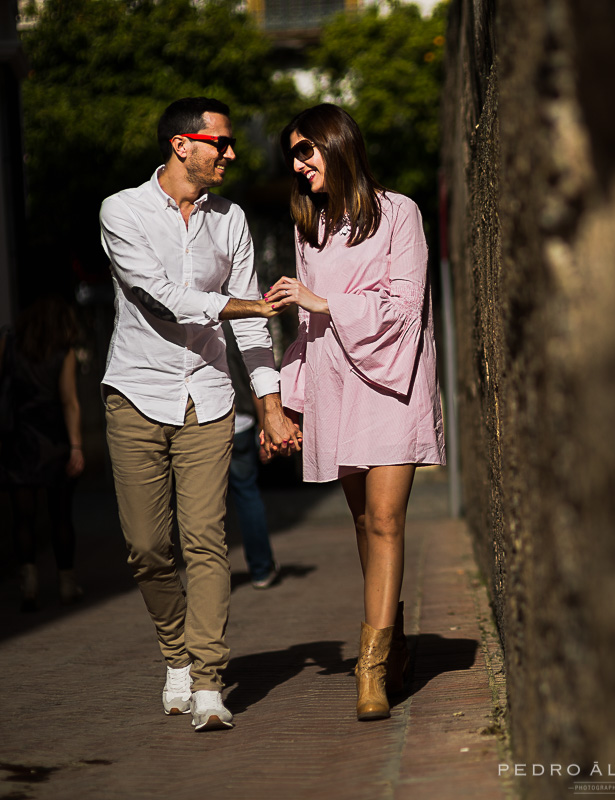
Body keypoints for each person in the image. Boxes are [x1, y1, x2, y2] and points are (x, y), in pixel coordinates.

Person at [99, 97, 300, 733]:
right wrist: (237, 306)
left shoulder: (232, 220)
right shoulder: (122, 211)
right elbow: (157, 299)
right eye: (221, 142)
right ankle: (175, 653)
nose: (232, 154)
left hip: (208, 397)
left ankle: (209, 678)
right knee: (147, 548)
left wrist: (268, 404)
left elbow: (250, 332)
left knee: (207, 540)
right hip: (135, 392)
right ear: (182, 145)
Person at [267, 103, 445, 721]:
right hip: (337, 386)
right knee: (365, 525)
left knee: (388, 520)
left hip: (391, 384)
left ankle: (370, 671)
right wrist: (289, 404)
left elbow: (404, 307)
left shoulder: (400, 214)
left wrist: (322, 298)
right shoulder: (308, 224)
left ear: (337, 144)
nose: (298, 164)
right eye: (293, 155)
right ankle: (392, 646)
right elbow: (307, 327)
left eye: (305, 151)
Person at [1, 297, 86, 612]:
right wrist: (77, 446)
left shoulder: (9, 345)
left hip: (18, 441)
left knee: (23, 518)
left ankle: (29, 583)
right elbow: (69, 401)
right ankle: (66, 583)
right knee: (60, 517)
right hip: (53, 442)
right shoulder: (63, 352)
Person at [223, 321, 279, 590]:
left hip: (202, 426)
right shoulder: (234, 327)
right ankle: (261, 568)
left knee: (204, 504)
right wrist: (262, 426)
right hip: (241, 423)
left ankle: (211, 577)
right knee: (247, 495)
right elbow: (254, 377)